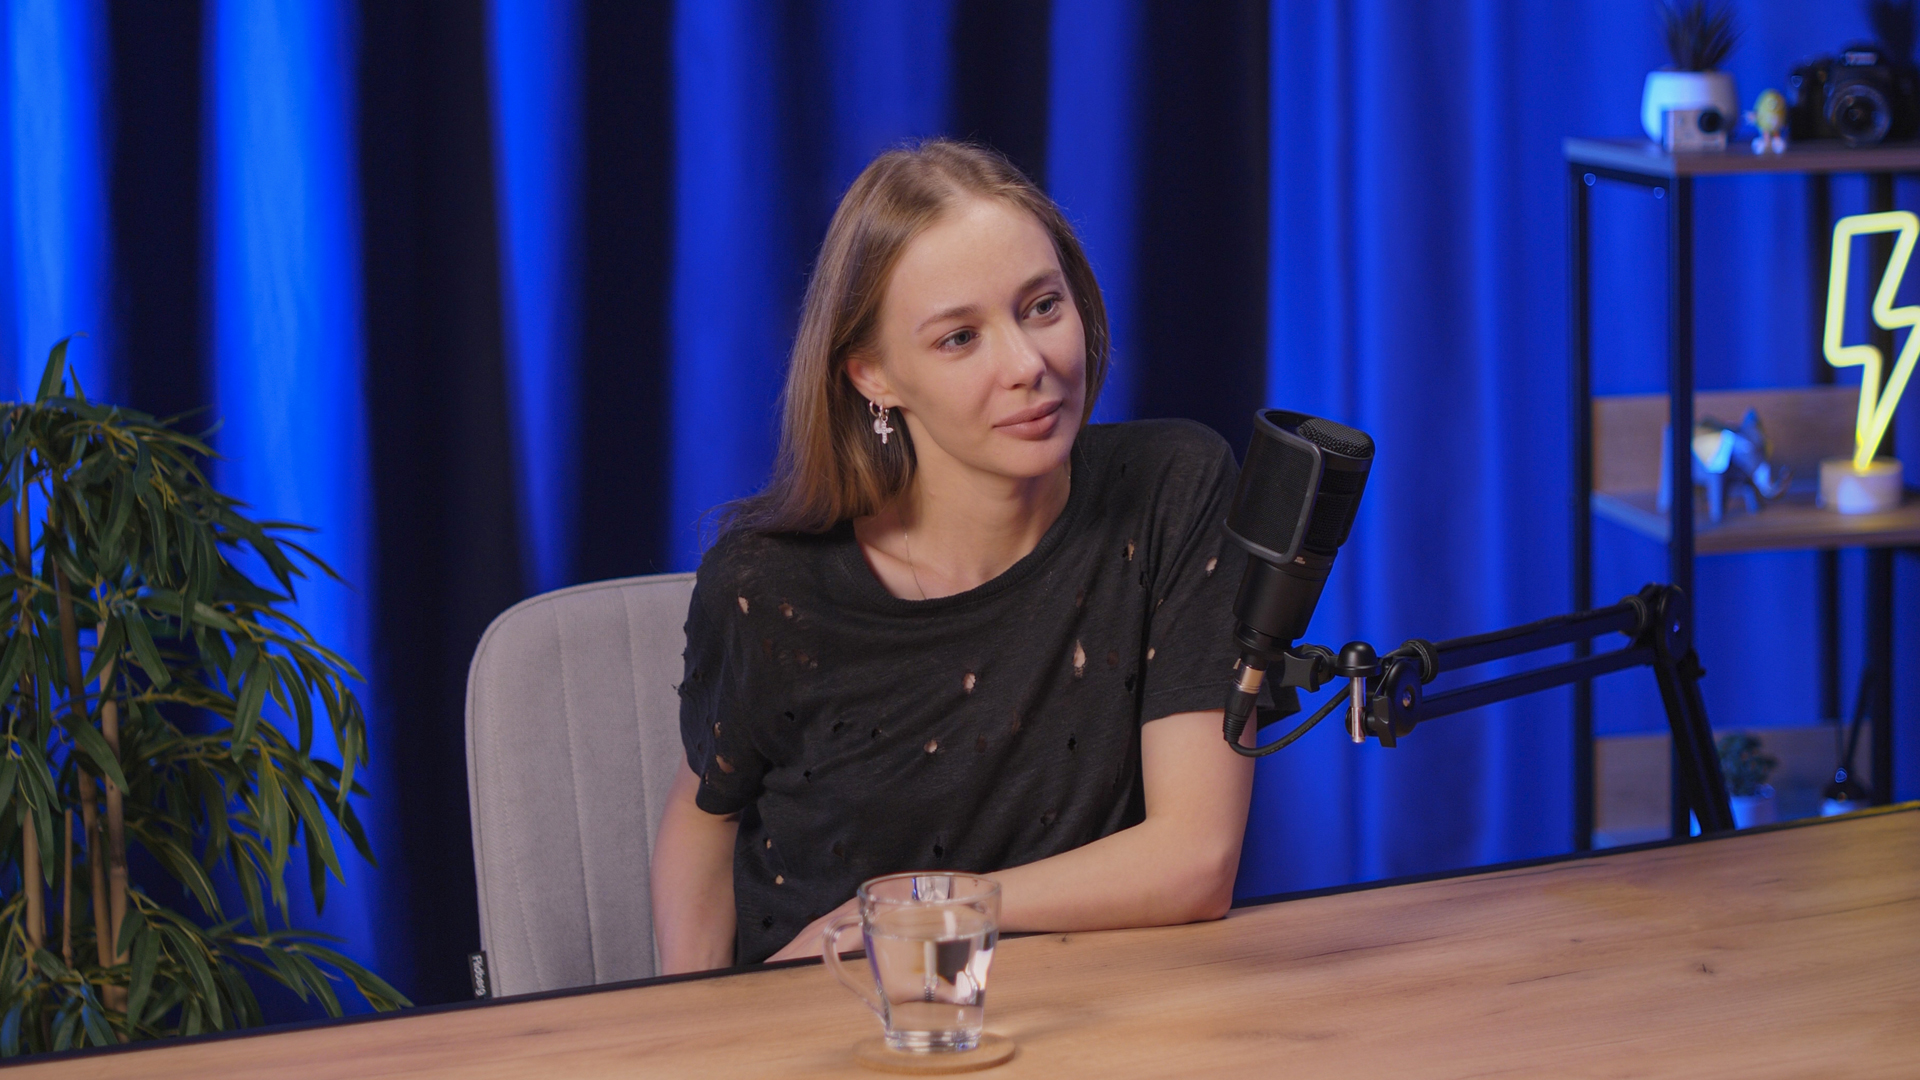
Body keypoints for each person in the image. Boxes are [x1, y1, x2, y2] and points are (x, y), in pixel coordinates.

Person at [650, 139, 1266, 974]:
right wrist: (697, 1024)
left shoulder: (1171, 490)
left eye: (1042, 306)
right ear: (873, 375)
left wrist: (924, 907)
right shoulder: (768, 584)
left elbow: (1195, 860)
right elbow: (705, 816)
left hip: (1093, 1011)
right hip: (827, 1012)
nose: (1028, 365)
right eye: (960, 338)